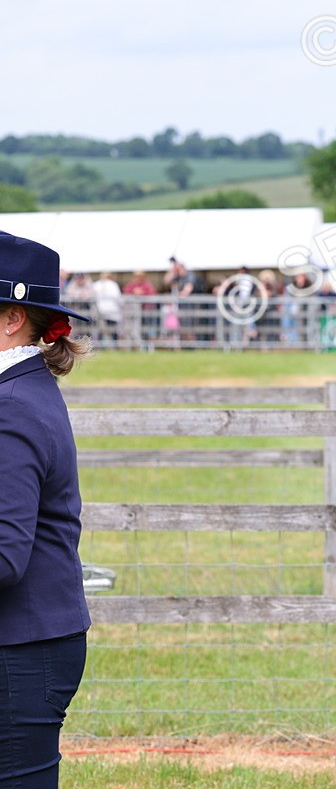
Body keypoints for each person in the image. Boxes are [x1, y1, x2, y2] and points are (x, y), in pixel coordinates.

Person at [0, 231, 93, 787]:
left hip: (20, 650)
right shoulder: (19, 394)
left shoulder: (12, 405)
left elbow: (4, 557)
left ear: (12, 317)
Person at [91, 271, 123, 345]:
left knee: (103, 330)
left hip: (101, 310)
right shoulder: (113, 284)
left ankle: (102, 345)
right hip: (110, 311)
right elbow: (118, 298)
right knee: (111, 330)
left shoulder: (96, 284)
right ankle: (114, 345)